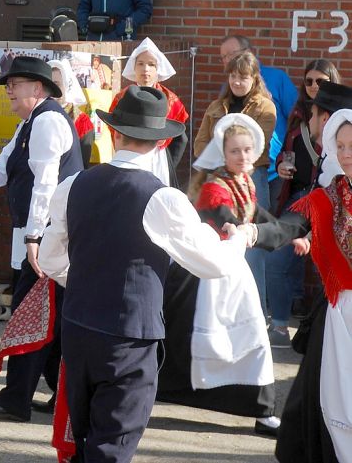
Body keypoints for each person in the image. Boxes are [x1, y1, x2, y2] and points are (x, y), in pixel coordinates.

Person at [37, 85, 256, 463]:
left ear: (113, 133)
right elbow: (214, 263)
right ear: (158, 144)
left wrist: (92, 280)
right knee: (111, 448)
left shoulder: (73, 185)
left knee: (87, 438)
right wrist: (244, 237)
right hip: (128, 338)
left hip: (78, 327)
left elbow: (50, 258)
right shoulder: (164, 198)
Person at [0, 56, 82, 421]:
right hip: (46, 235)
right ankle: (64, 395)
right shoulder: (30, 123)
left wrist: (34, 235)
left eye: (16, 83)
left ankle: (16, 399)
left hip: (51, 236)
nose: (8, 89)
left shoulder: (46, 122)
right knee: (50, 320)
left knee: (32, 316)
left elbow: (46, 182)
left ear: (38, 89)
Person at [162, 113, 282, 437]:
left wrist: (291, 234)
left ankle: (261, 408)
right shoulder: (215, 187)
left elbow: (260, 216)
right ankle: (259, 409)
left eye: (246, 150)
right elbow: (225, 215)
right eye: (234, 151)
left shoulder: (244, 183)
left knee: (248, 336)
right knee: (198, 336)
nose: (241, 156)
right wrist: (234, 227)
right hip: (206, 269)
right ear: (223, 153)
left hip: (232, 268)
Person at [273, 83, 352, 463]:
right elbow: (294, 222)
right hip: (337, 309)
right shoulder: (329, 192)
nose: (346, 154)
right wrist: (254, 231)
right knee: (320, 394)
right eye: (341, 146)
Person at [194, 51, 277, 312]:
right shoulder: (217, 107)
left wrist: (227, 155)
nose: (236, 82)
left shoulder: (265, 107)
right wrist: (222, 163)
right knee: (217, 239)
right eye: (232, 76)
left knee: (251, 246)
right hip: (218, 181)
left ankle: (255, 311)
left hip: (252, 179)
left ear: (254, 78)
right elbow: (199, 144)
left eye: (242, 77)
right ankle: (218, 309)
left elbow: (257, 149)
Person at [267, 59, 341, 345]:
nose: (313, 87)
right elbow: (286, 150)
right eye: (309, 81)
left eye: (320, 81)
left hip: (330, 198)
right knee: (277, 257)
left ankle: (325, 331)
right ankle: (280, 326)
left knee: (329, 267)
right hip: (298, 196)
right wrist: (281, 167)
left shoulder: (342, 119)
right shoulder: (298, 113)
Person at [220, 34, 299, 187]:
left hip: (276, 168)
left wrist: (288, 157)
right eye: (223, 57)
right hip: (239, 167)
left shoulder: (277, 78)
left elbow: (296, 119)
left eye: (231, 54)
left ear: (249, 52)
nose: (227, 60)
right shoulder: (228, 88)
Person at [109, 37, 189, 186]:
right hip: (129, 155)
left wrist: (168, 160)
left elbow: (180, 137)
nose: (145, 69)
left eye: (151, 65)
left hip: (158, 158)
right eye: (140, 64)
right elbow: (113, 130)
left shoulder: (169, 99)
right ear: (133, 67)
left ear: (158, 69)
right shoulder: (122, 97)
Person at [49, 59, 95, 167]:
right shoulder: (36, 115)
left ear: (66, 85)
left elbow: (82, 164)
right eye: (48, 85)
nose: (52, 90)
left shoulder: (82, 122)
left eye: (56, 84)